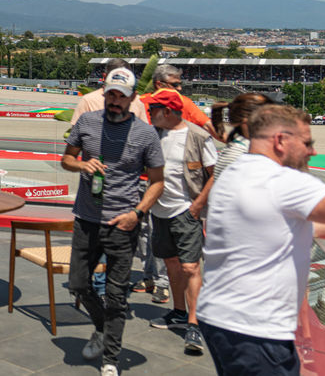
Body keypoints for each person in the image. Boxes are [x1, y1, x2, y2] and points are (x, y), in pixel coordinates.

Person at [197, 104, 325, 375]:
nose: (313, 151)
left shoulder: (238, 170)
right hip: (256, 330)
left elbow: (289, 227)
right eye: (307, 142)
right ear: (280, 140)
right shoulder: (279, 181)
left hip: (225, 321)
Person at [63, 67, 165, 376]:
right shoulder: (87, 122)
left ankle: (110, 359)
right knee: (79, 285)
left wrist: (138, 214)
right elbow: (66, 159)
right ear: (104, 94)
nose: (115, 101)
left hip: (123, 222)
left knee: (116, 296)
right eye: (111, 95)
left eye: (121, 96)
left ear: (133, 98)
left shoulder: (146, 133)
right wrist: (81, 165)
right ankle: (101, 327)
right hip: (87, 219)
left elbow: (158, 182)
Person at [144, 89, 216, 355]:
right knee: (171, 263)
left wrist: (197, 206)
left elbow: (214, 173)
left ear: (168, 112)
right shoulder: (154, 135)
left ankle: (194, 323)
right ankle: (177, 312)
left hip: (186, 211)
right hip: (159, 212)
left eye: (154, 109)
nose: (150, 113)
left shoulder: (198, 136)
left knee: (190, 267)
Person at [139, 64, 218, 138]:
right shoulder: (140, 102)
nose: (180, 88)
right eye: (175, 85)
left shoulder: (184, 102)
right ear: (159, 85)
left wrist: (229, 140)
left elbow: (208, 125)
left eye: (180, 84)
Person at [70, 58, 148, 126]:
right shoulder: (88, 100)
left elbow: (145, 133)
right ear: (105, 76)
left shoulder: (139, 101)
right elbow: (76, 134)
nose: (116, 102)